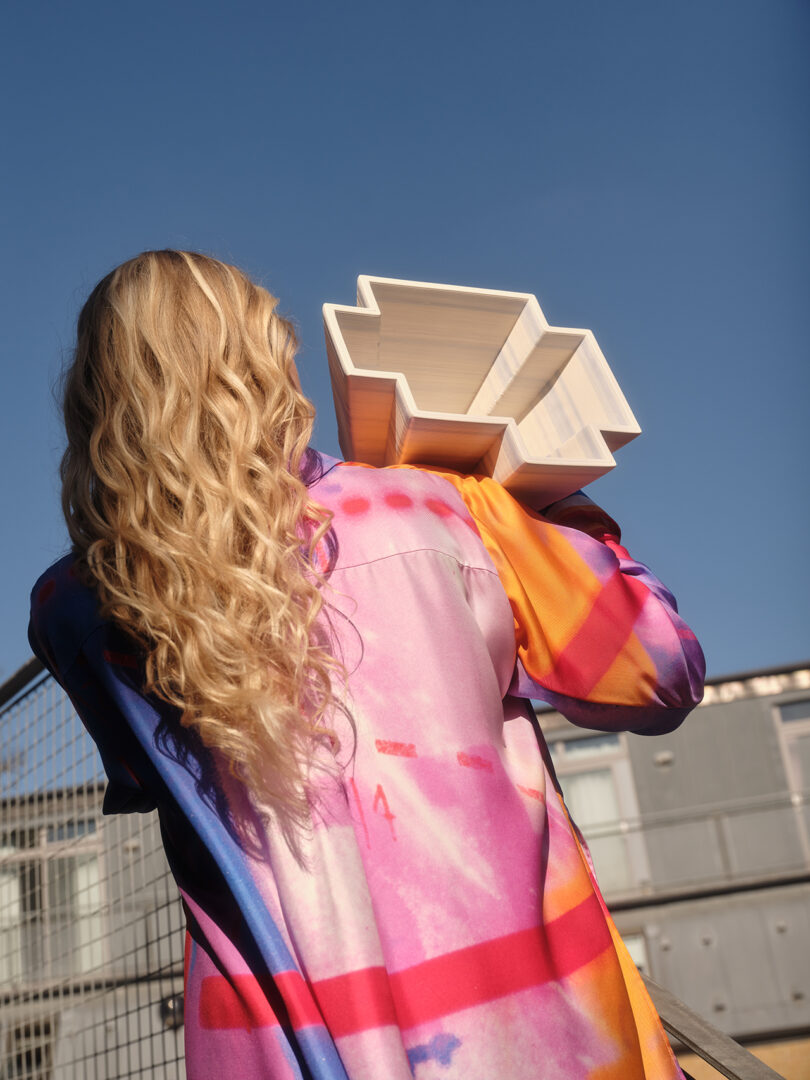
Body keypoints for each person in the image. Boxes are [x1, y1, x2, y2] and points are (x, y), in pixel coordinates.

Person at [29, 250, 705, 1080]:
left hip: (277, 1047)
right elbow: (659, 671)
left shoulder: (74, 607)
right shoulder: (438, 508)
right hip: (522, 1025)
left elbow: (143, 773)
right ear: (264, 363)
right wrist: (552, 511)